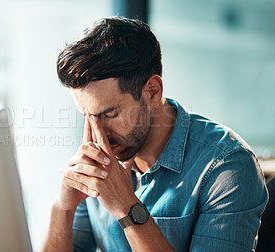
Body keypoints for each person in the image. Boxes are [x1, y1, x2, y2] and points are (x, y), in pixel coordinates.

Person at [40, 17, 268, 252]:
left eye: (110, 114)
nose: (99, 135)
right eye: (87, 116)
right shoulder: (99, 157)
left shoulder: (227, 166)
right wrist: (62, 209)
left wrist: (127, 208)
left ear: (152, 91)